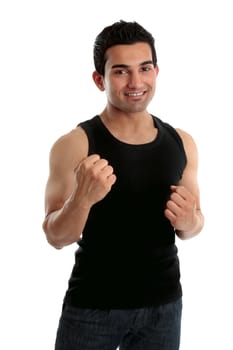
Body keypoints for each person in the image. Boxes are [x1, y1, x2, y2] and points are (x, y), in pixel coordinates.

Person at [42, 20, 204, 350]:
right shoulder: (75, 144)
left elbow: (193, 224)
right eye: (120, 71)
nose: (135, 82)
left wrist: (190, 221)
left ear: (156, 71)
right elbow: (56, 236)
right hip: (92, 308)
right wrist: (81, 200)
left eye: (144, 68)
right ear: (99, 79)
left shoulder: (182, 142)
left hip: (164, 306)